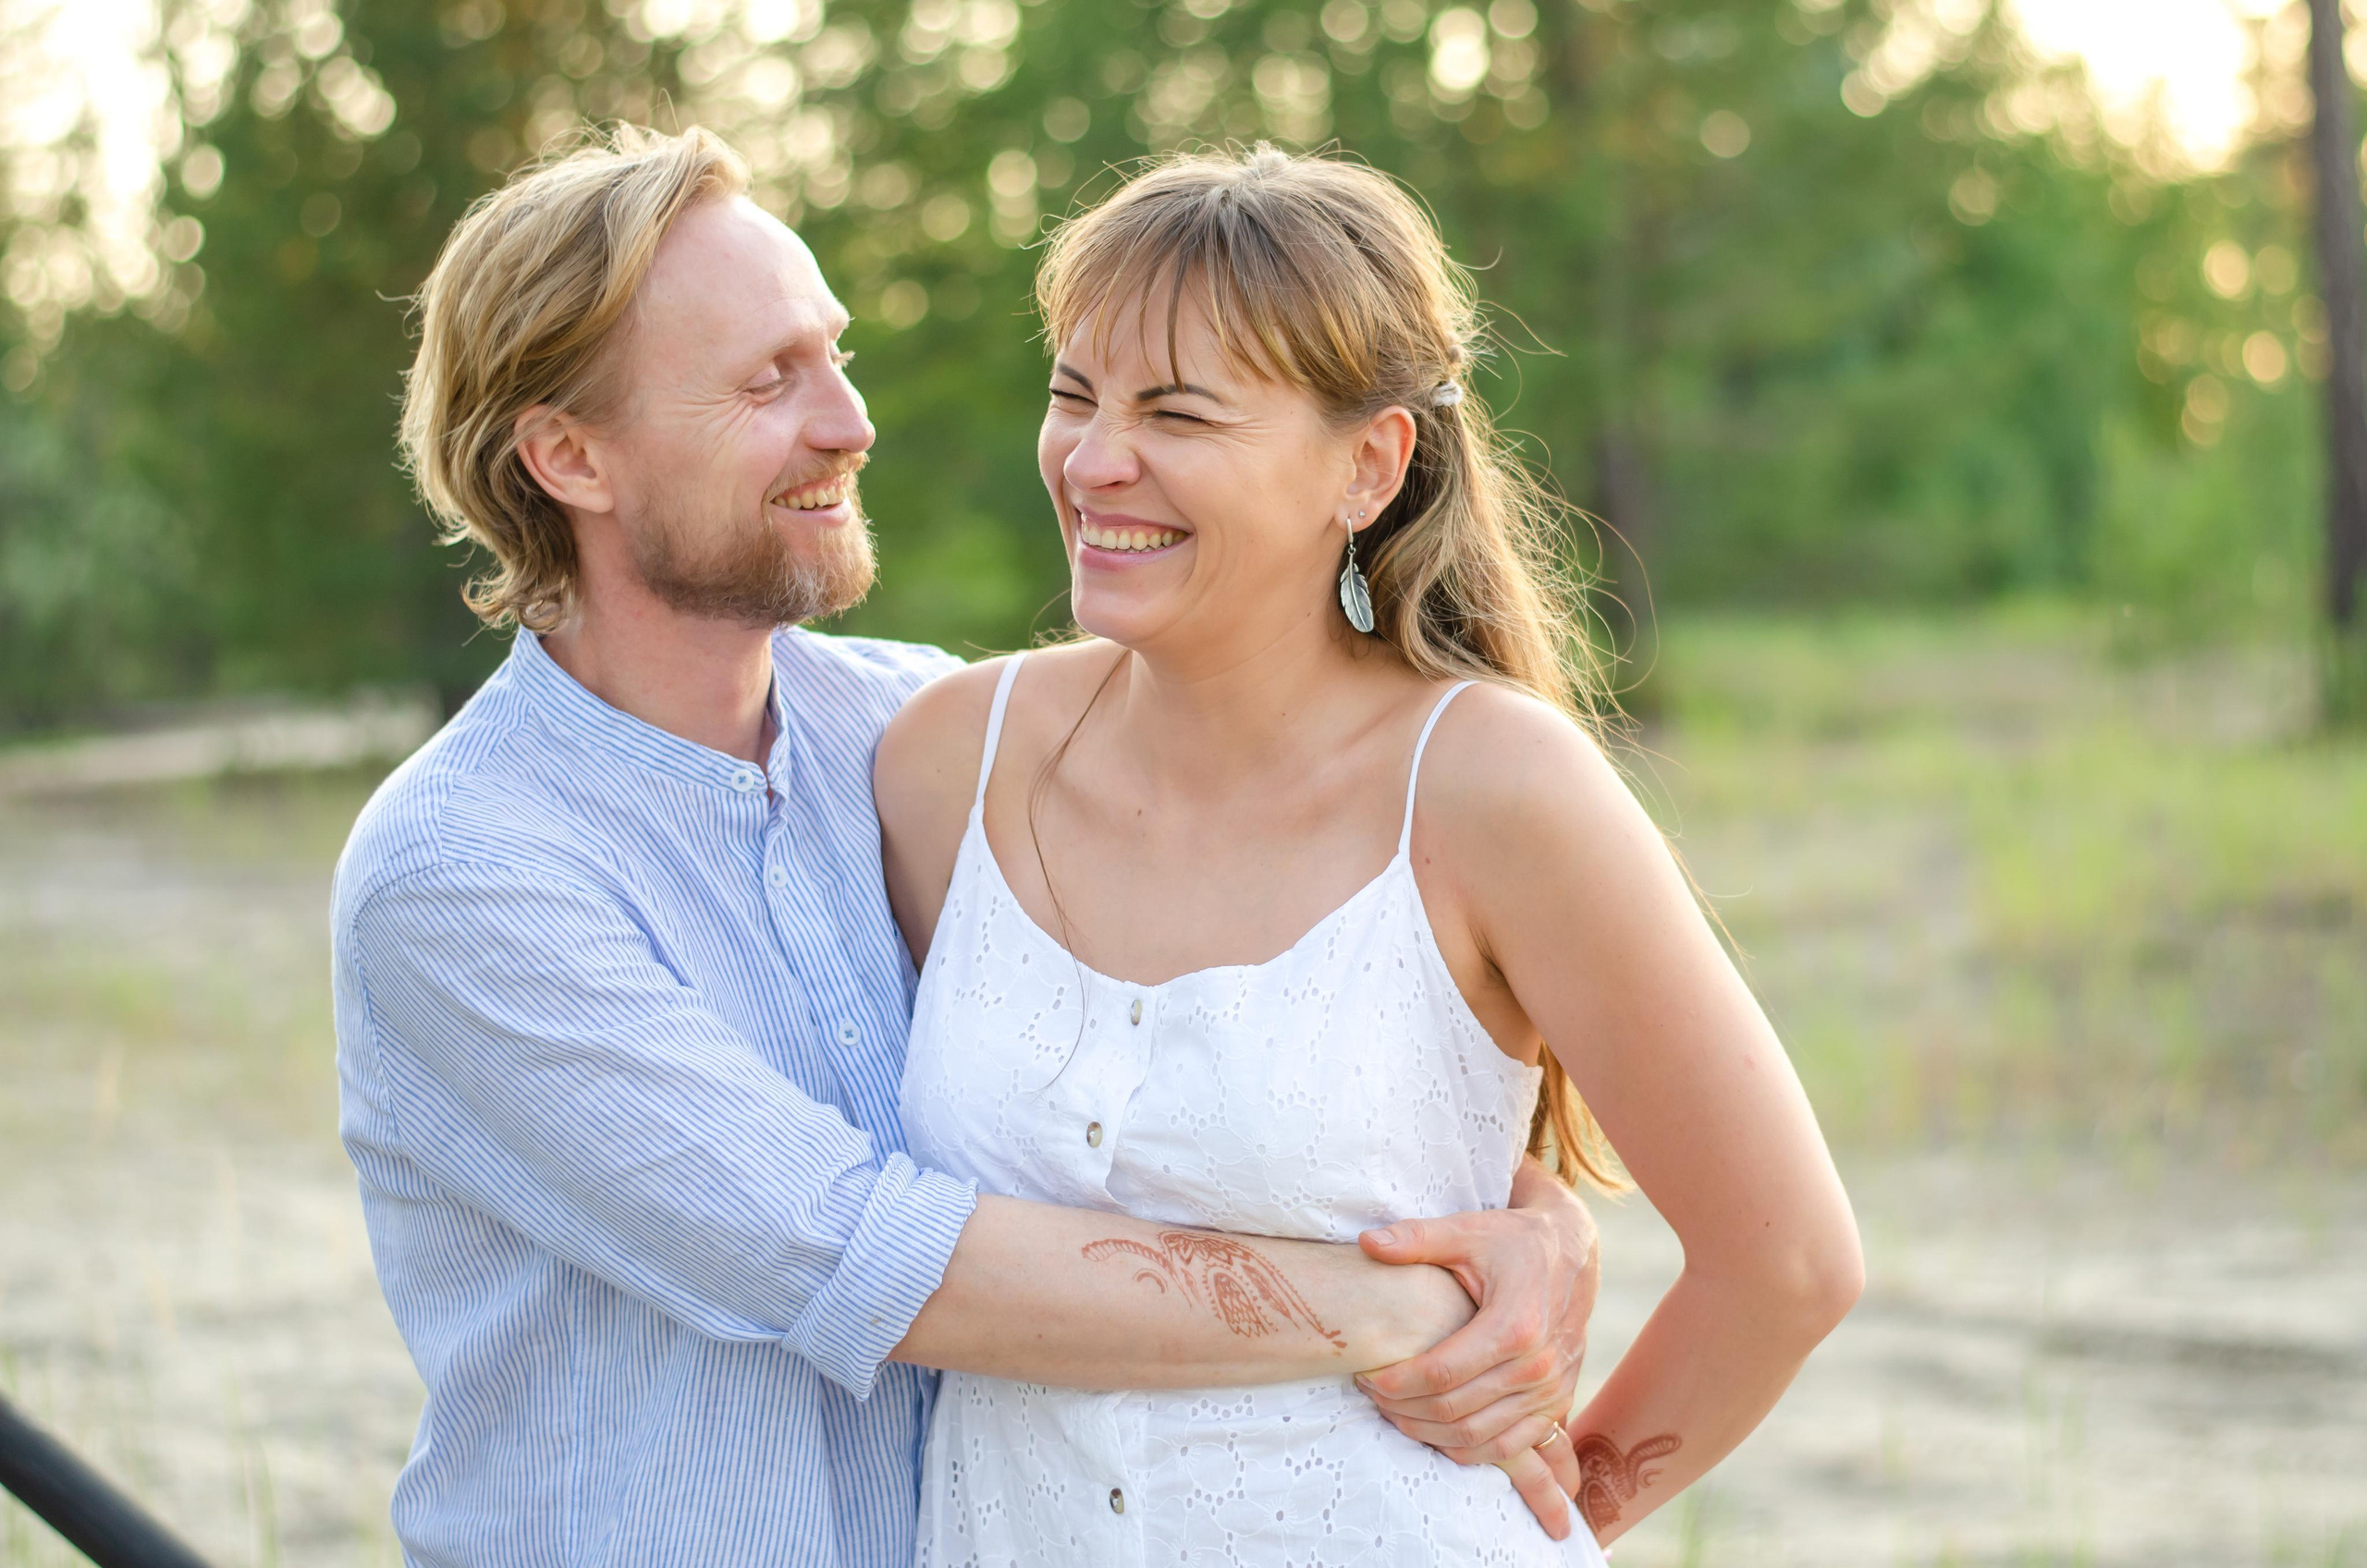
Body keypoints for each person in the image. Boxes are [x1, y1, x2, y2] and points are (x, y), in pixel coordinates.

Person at [331, 125, 1603, 1568]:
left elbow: (1202, 1082)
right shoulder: (466, 873)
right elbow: (856, 1255)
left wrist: (1521, 1220)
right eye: (768, 381)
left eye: (836, 353)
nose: (850, 423)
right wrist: (1400, 1302)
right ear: (568, 455)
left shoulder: (924, 737)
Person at [875, 146, 1865, 1564]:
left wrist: (1556, 1512)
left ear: (1369, 464)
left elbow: (1787, 1265)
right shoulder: (939, 768)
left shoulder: (1495, 792)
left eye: (1179, 413)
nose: (1095, 460)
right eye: (1073, 394)